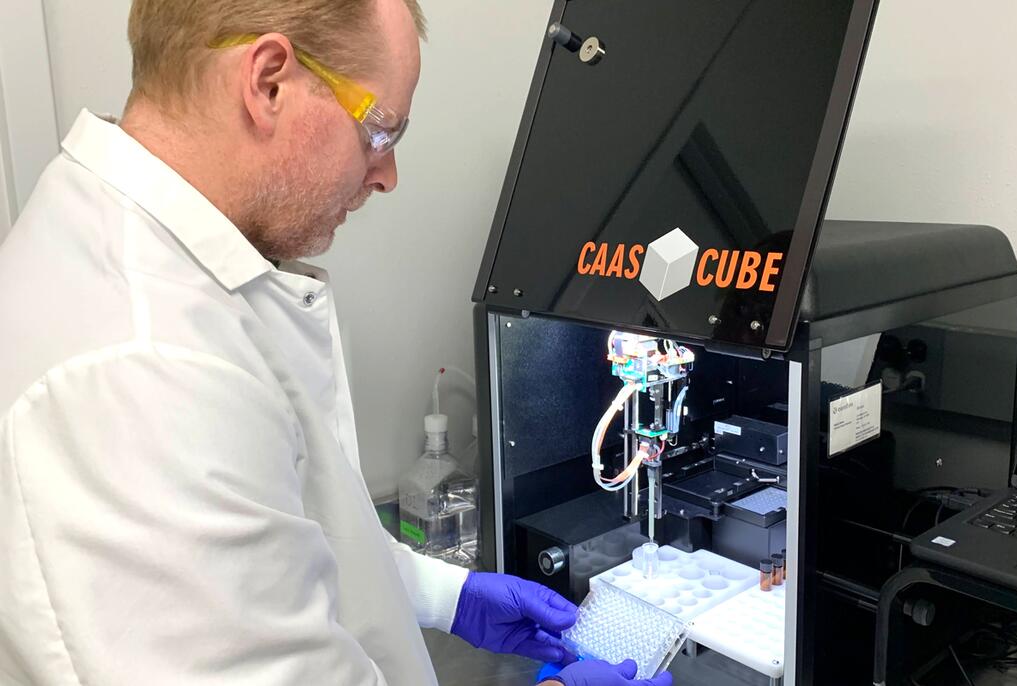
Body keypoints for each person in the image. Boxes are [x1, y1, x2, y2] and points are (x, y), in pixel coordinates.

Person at [0, 0, 671, 684]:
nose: (386, 175)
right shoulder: (144, 363)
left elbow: (275, 552)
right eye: (381, 132)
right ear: (268, 83)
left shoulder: (132, 258)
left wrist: (445, 595)